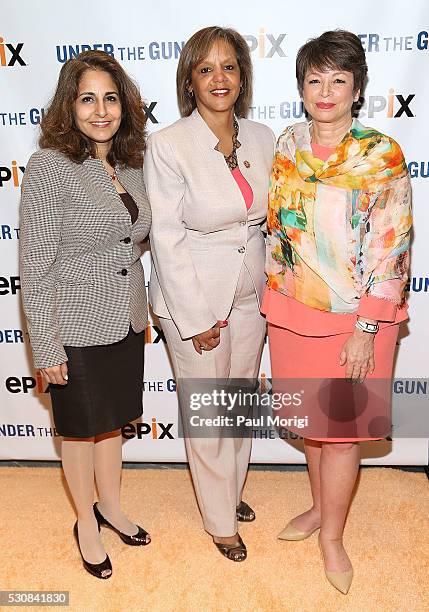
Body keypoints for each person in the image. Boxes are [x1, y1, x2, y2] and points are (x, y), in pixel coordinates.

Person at [262, 30, 411, 594]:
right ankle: (320, 509)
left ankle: (332, 537)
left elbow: (391, 245)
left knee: (343, 434)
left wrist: (367, 327)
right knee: (314, 429)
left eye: (338, 80)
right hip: (293, 313)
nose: (325, 91)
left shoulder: (380, 154)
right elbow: (280, 233)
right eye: (314, 79)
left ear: (357, 90)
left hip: (358, 321)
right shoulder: (286, 145)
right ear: (301, 87)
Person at [144, 26, 275, 562]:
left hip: (251, 296)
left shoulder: (265, 137)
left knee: (239, 404)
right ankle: (219, 520)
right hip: (192, 299)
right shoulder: (169, 143)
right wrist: (196, 317)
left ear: (242, 76)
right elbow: (167, 237)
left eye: (229, 67)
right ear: (190, 81)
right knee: (208, 410)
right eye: (206, 69)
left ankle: (230, 491)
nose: (219, 78)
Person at [20, 50, 152, 579]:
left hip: (123, 318)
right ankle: (85, 522)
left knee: (111, 426)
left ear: (125, 105)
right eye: (88, 98)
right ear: (68, 106)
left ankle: (112, 506)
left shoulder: (129, 162)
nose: (101, 110)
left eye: (111, 98)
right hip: (72, 324)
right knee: (78, 430)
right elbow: (36, 263)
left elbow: (133, 240)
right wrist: (45, 348)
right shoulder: (50, 167)